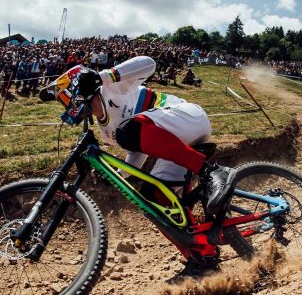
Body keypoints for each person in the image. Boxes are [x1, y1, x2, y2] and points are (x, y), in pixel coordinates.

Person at [49, 56, 240, 271]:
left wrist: (104, 76)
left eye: (63, 99)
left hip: (188, 118)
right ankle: (201, 255)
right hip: (175, 144)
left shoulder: (111, 88)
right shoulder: (105, 132)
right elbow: (137, 153)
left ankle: (212, 171)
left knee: (128, 131)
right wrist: (119, 174)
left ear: (74, 90)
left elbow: (149, 64)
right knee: (152, 199)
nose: (65, 106)